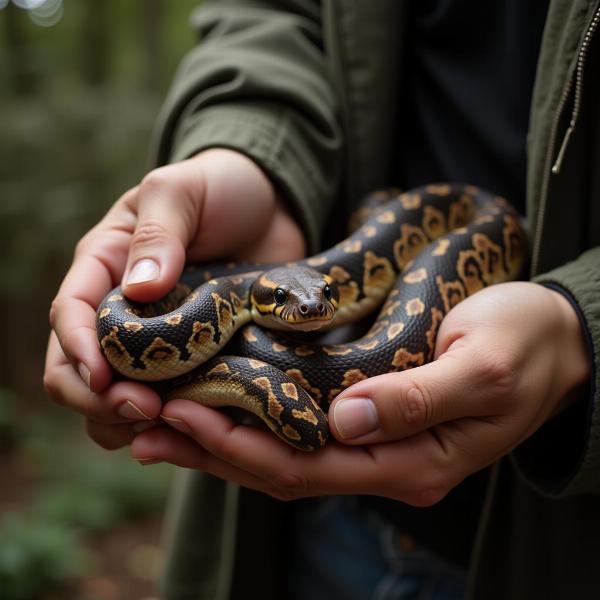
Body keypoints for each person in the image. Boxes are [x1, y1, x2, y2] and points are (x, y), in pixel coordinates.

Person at [43, 1, 600, 598]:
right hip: (312, 534)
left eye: (324, 298)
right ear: (253, 297)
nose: (309, 310)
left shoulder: (273, 308)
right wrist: (249, 153)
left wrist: (582, 325)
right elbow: (271, 17)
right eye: (287, 301)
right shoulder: (226, 306)